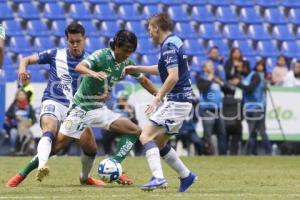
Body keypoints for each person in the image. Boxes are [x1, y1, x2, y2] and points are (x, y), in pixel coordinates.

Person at [5, 23, 137, 187]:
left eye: (78, 41)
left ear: (84, 40)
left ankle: (86, 177)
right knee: (50, 130)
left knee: (91, 148)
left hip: (78, 108)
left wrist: (102, 96)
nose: (75, 45)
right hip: (54, 100)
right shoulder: (55, 54)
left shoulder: (93, 59)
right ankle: (22, 174)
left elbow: (103, 89)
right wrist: (22, 68)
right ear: (67, 40)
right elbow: (26, 59)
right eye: (71, 41)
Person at [41, 29, 157, 183]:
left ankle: (112, 165)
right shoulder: (101, 56)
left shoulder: (127, 63)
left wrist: (159, 95)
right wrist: (92, 73)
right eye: (125, 50)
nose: (128, 54)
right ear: (116, 46)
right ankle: (28, 169)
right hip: (81, 109)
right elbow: (80, 68)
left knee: (134, 130)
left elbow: (144, 81)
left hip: (99, 109)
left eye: (131, 51)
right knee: (57, 146)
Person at [124, 13, 197, 192]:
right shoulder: (173, 42)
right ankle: (186, 176)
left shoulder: (169, 45)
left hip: (177, 101)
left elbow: (173, 77)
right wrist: (137, 68)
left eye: (150, 29)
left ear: (156, 28)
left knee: (145, 136)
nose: (149, 33)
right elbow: (163, 69)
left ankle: (158, 178)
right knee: (159, 143)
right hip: (182, 101)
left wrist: (157, 99)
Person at [230, 61, 271, 155]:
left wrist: (238, 84)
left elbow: (250, 88)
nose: (238, 69)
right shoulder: (244, 77)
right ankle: (250, 153)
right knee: (252, 132)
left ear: (245, 67)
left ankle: (269, 151)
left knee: (261, 131)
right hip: (248, 108)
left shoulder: (255, 76)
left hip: (258, 107)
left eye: (240, 67)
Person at [195, 61, 228, 155]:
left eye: (212, 66)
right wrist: (209, 80)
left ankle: (223, 154)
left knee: (222, 133)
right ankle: (208, 153)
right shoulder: (200, 78)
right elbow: (203, 88)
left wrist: (221, 83)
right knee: (208, 134)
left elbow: (229, 89)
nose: (212, 68)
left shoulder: (216, 78)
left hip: (218, 109)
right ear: (204, 68)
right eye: (210, 66)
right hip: (207, 110)